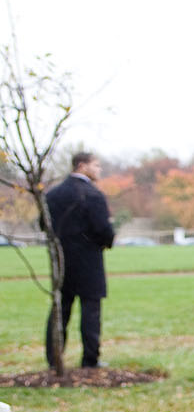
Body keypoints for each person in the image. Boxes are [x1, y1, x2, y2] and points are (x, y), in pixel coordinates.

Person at [44, 151, 114, 369]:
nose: (99, 170)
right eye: (96, 165)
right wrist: (106, 241)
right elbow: (103, 229)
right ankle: (90, 359)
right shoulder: (92, 195)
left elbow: (43, 224)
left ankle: (54, 358)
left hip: (61, 260)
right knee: (90, 311)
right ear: (82, 166)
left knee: (60, 310)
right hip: (88, 261)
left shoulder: (52, 195)